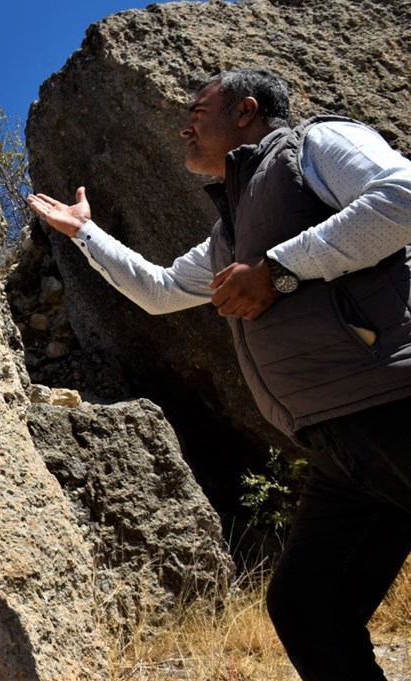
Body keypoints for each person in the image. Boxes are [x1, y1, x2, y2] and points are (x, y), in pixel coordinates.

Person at [28, 68, 411, 680]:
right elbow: (159, 291)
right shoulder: (229, 230)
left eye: (198, 109)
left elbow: (402, 198)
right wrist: (86, 233)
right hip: (336, 442)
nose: (185, 124)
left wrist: (277, 270)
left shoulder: (317, 145)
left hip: (393, 401)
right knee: (308, 608)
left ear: (245, 111)